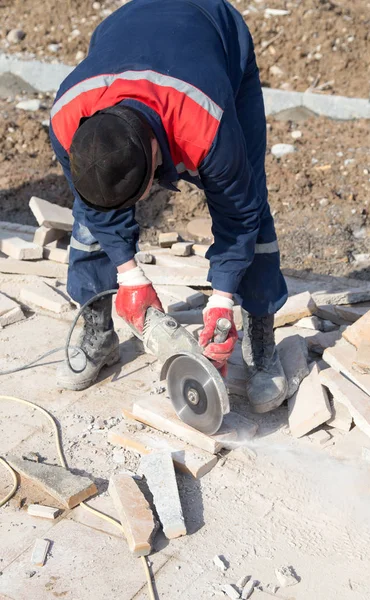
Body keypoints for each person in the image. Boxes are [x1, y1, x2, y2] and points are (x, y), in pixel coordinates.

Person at [49, 0, 289, 413]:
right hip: (126, 31)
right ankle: (98, 332)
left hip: (216, 34)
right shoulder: (66, 121)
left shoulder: (205, 126)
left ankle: (260, 342)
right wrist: (130, 276)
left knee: (249, 198)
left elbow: (239, 214)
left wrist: (221, 300)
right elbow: (99, 209)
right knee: (90, 215)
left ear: (157, 161)